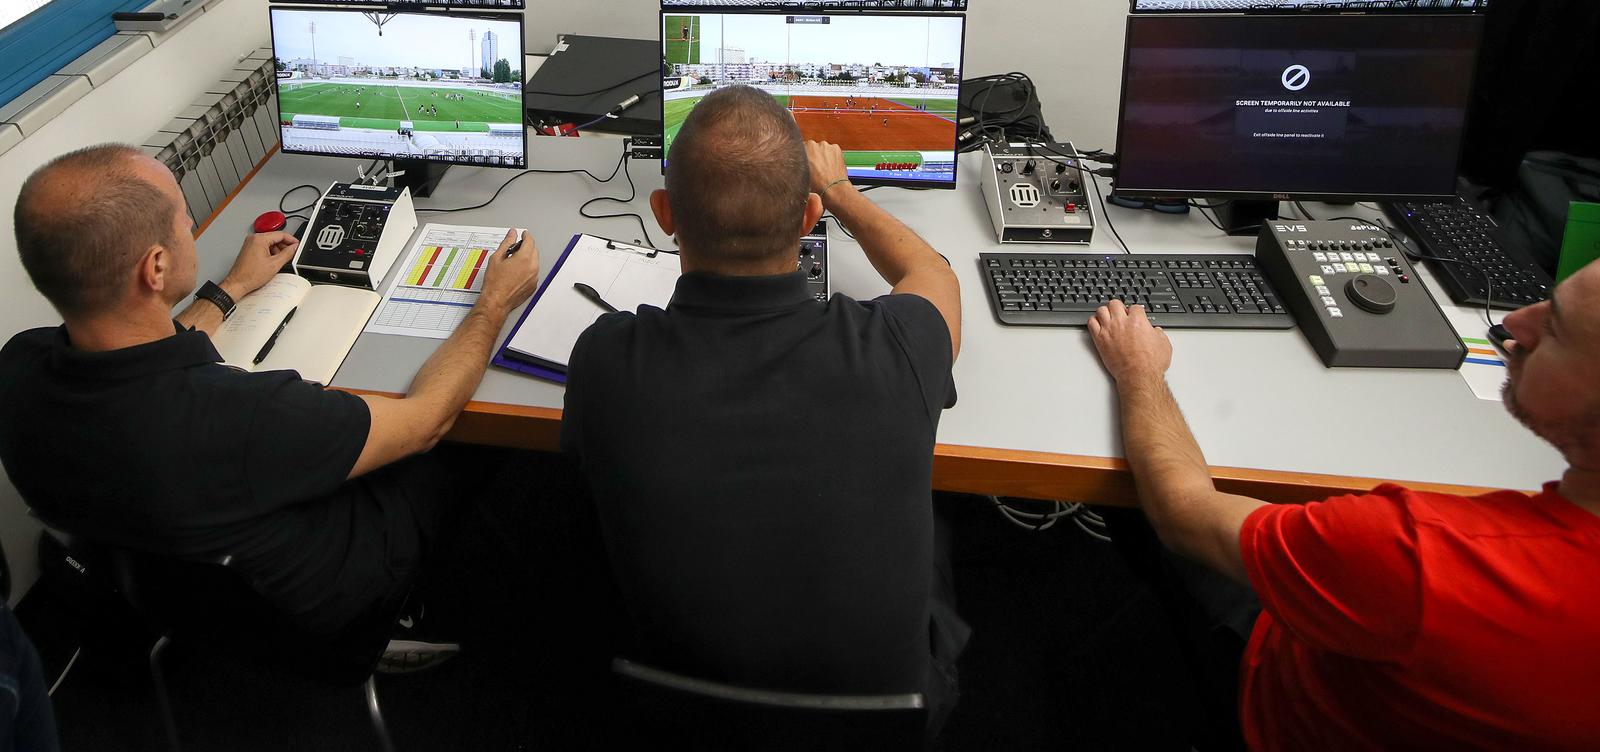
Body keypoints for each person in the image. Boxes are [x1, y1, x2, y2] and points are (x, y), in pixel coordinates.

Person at [0, 144, 542, 664]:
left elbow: (136, 357)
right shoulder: (246, 414)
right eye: (184, 219)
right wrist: (492, 303)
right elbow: (427, 420)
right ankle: (409, 615)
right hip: (316, 613)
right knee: (469, 438)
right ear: (156, 268)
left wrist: (231, 287)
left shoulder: (18, 369)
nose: (191, 226)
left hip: (158, 596)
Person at [562, 85, 968, 731]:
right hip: (884, 721)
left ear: (665, 213)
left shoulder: (605, 356)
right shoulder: (901, 342)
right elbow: (934, 275)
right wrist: (841, 190)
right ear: (808, 219)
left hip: (665, 709)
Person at [1084, 258, 1600, 751]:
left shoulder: (1420, 551)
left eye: (1554, 328)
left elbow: (1184, 511)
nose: (1515, 319)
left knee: (1139, 502)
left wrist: (1140, 372)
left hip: (1279, 702)